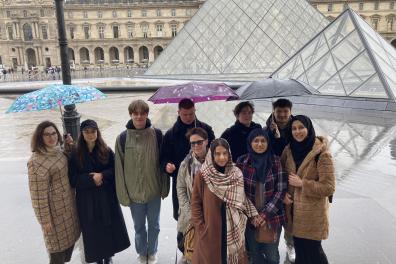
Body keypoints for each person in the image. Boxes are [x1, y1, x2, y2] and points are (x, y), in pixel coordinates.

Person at [68, 119, 130, 264]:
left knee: (107, 227)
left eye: (93, 131)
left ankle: (108, 256)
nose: (90, 135)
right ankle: (97, 258)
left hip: (106, 197)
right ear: (82, 134)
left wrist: (102, 175)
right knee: (92, 230)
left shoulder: (106, 150)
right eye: (87, 132)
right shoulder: (75, 154)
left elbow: (116, 169)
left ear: (97, 132)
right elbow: (73, 179)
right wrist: (91, 179)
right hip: (87, 200)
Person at [191, 138, 261, 264]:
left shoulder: (236, 174)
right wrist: (201, 228)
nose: (222, 157)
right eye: (217, 154)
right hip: (210, 230)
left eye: (225, 153)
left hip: (234, 228)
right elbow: (196, 203)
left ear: (229, 154)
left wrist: (253, 214)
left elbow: (242, 199)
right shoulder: (203, 175)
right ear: (211, 155)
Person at [281, 115, 335, 264]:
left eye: (301, 128)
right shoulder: (289, 150)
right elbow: (282, 175)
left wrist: (302, 183)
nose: (297, 131)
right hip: (293, 212)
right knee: (301, 253)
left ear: (309, 128)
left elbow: (329, 187)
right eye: (294, 128)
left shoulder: (322, 155)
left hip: (312, 215)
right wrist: (283, 194)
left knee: (314, 253)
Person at [115, 100, 164, 264]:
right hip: (134, 192)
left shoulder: (157, 135)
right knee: (139, 227)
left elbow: (162, 163)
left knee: (155, 226)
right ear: (131, 115)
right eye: (135, 113)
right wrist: (123, 194)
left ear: (147, 114)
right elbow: (118, 170)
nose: (139, 116)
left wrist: (164, 188)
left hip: (153, 190)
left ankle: (153, 251)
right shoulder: (122, 138)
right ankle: (142, 253)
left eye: (142, 113)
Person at [27, 121, 80, 264]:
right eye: (46, 135)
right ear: (40, 137)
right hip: (54, 214)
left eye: (53, 133)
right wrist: (44, 220)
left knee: (67, 248)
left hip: (68, 208)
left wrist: (69, 146)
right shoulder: (36, 162)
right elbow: (38, 196)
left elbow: (66, 164)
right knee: (57, 253)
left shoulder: (58, 151)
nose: (51, 137)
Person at [237, 128, 287, 264]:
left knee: (272, 255)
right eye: (256, 141)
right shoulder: (242, 162)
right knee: (254, 252)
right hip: (250, 218)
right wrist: (254, 215)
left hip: (272, 217)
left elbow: (281, 190)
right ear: (250, 143)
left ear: (268, 143)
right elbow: (239, 192)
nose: (259, 144)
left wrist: (264, 215)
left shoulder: (276, 161)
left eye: (263, 141)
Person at [161, 98, 215, 221]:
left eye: (191, 113)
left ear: (195, 110)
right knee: (184, 219)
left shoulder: (206, 129)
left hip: (206, 180)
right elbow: (163, 158)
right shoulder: (170, 134)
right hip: (181, 182)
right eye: (185, 114)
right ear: (178, 112)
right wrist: (167, 167)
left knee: (207, 217)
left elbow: (215, 152)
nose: (188, 117)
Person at [265, 98, 295, 262]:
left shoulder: (298, 128)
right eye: (279, 112)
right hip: (275, 180)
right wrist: (274, 136)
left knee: (292, 217)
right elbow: (265, 155)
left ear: (290, 111)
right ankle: (272, 248)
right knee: (275, 216)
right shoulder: (266, 130)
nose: (282, 115)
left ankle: (290, 244)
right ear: (274, 112)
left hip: (293, 180)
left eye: (285, 111)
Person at [176, 127, 209, 262]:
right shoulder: (186, 164)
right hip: (189, 216)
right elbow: (181, 189)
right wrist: (191, 215)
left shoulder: (216, 160)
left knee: (208, 251)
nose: (196, 146)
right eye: (192, 143)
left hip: (210, 215)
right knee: (189, 250)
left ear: (206, 141)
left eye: (199, 142)